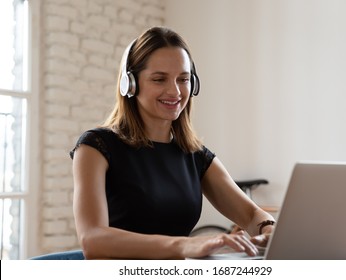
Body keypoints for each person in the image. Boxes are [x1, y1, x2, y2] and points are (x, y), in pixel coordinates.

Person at [70, 26, 275, 260]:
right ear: (130, 84)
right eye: (159, 79)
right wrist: (184, 246)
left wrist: (268, 230)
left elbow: (250, 215)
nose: (175, 91)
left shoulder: (195, 155)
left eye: (183, 79)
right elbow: (93, 239)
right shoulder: (95, 147)